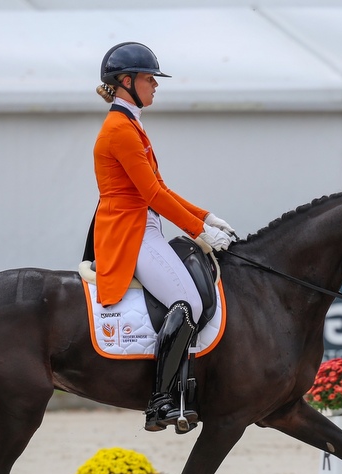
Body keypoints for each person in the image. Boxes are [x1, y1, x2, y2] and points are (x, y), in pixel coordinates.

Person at [87, 41, 235, 433]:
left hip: (145, 225)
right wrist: (199, 232)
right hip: (131, 232)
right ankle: (161, 401)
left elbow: (160, 188)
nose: (155, 84)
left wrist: (206, 217)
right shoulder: (120, 130)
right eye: (149, 78)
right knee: (187, 303)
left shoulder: (132, 125)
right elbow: (152, 195)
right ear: (126, 81)